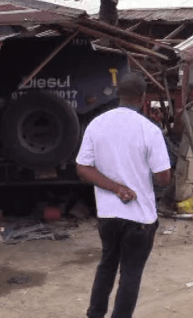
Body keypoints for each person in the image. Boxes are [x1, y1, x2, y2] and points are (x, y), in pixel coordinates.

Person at [76, 73, 171, 318]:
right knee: (131, 272)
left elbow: (83, 167)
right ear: (142, 98)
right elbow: (163, 177)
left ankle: (95, 314)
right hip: (140, 217)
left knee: (107, 264)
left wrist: (115, 187)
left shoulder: (97, 124)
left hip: (108, 214)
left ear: (119, 95)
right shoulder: (149, 130)